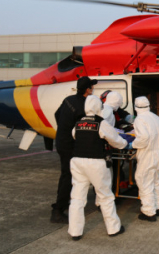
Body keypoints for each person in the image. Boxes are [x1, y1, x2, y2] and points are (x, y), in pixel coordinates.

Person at [68, 95, 128, 240]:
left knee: (77, 197)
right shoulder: (101, 123)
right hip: (96, 162)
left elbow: (75, 136)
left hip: (77, 161)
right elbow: (115, 140)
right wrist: (125, 144)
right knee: (105, 196)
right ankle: (113, 228)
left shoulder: (78, 123)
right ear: (98, 107)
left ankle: (75, 231)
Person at [51, 76, 97, 224]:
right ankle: (58, 210)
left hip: (61, 141)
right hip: (69, 145)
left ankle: (62, 206)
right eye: (92, 87)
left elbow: (57, 115)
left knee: (66, 174)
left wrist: (64, 129)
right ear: (87, 90)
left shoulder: (68, 99)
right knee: (68, 176)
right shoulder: (85, 104)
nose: (93, 89)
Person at [131, 96, 159, 221]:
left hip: (147, 154)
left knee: (144, 181)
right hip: (158, 154)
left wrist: (133, 144)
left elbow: (144, 138)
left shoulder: (140, 119)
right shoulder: (158, 118)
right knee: (155, 181)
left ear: (136, 107)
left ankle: (149, 212)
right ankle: (158, 206)